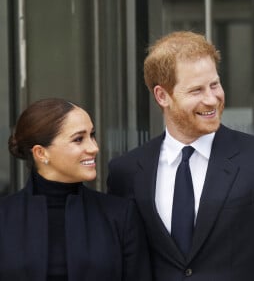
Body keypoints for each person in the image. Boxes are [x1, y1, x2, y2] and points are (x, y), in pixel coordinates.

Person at [107, 31, 254, 280]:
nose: (212, 99)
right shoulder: (127, 171)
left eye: (215, 84)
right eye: (196, 90)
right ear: (162, 95)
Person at [0, 98, 151, 281]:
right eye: (78, 139)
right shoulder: (4, 217)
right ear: (41, 153)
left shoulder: (120, 216)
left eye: (92, 135)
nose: (94, 148)